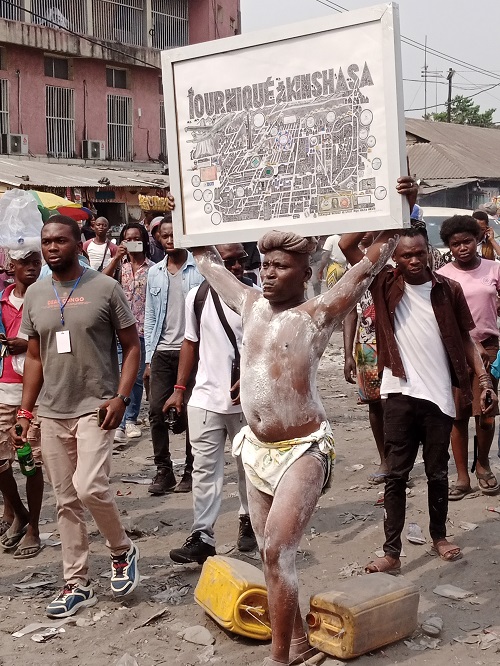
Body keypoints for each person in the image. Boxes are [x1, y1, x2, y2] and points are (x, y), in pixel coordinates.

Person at [187, 176, 417, 666]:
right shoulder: (248, 303)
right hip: (256, 450)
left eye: (279, 266)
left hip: (304, 451)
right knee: (273, 556)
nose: (267, 274)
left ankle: (280, 657)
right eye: (264, 265)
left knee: (275, 551)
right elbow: (205, 260)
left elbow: (370, 261)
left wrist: (404, 206)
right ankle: (293, 641)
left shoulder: (320, 312)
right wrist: (185, 209)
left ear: (304, 270)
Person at [340, 225, 497, 576]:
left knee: (437, 471)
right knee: (396, 475)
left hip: (440, 395)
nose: (414, 260)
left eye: (420, 253)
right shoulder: (383, 284)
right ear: (394, 257)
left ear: (429, 252)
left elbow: (468, 338)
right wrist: (392, 215)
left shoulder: (447, 288)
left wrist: (483, 378)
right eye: (406, 254)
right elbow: (345, 243)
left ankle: (438, 536)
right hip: (399, 393)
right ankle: (391, 552)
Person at [11, 215, 141, 618]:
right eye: (47, 241)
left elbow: (132, 346)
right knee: (65, 500)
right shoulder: (35, 294)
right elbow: (34, 355)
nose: (52, 248)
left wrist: (121, 397)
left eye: (60, 241)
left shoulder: (105, 288)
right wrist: (26, 411)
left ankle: (122, 550)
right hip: (51, 411)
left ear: (78, 243)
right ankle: (76, 582)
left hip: (96, 406)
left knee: (89, 487)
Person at [165, 244, 257, 564]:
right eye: (227, 261)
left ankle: (249, 521)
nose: (235, 268)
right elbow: (190, 342)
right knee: (204, 470)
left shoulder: (255, 296)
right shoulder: (197, 297)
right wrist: (179, 389)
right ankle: (203, 534)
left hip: (246, 399)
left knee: (248, 466)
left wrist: (251, 377)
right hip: (204, 397)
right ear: (212, 263)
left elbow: (267, 347)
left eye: (239, 261)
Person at [437, 216, 500, 499]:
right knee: (458, 415)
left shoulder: (494, 268)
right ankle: (462, 476)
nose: (462, 248)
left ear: (478, 240)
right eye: (455, 244)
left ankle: (483, 464)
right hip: (455, 351)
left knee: (486, 412)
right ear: (449, 247)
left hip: (490, 348)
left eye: (467, 241)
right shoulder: (443, 275)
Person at [144, 217, 204, 495]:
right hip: (162, 351)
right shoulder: (154, 272)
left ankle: (191, 470)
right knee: (156, 410)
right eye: (163, 236)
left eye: (173, 235)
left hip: (192, 350)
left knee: (192, 411)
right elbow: (150, 315)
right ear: (157, 238)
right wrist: (148, 357)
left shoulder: (199, 268)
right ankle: (163, 470)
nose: (169, 240)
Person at [0, 250, 44, 558]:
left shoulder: (46, 298)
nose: (31, 267)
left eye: (35, 262)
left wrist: (26, 344)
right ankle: (17, 512)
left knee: (31, 463)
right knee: (2, 463)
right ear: (10, 265)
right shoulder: (1, 301)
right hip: (4, 389)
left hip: (38, 393)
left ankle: (34, 528)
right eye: (24, 262)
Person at [103, 223, 154, 443]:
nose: (132, 242)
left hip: (142, 327)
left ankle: (131, 418)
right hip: (118, 328)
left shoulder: (153, 268)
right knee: (120, 374)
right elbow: (99, 283)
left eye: (136, 238)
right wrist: (116, 258)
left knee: (136, 376)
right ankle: (122, 423)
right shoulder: (118, 267)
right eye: (127, 239)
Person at [343, 233, 386, 486]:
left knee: (400, 404)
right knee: (375, 404)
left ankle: (400, 458)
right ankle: (385, 459)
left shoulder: (397, 257)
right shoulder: (355, 266)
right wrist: (348, 353)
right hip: (368, 344)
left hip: (400, 341)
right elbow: (350, 310)